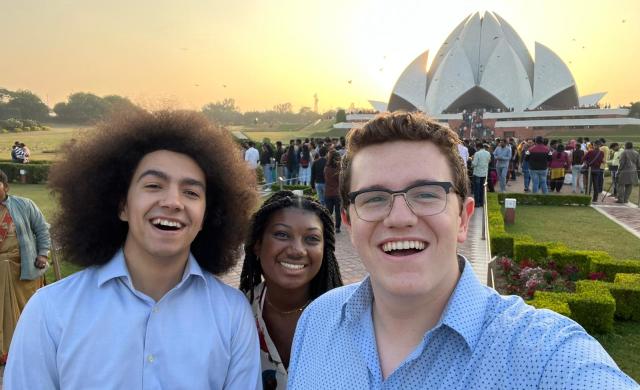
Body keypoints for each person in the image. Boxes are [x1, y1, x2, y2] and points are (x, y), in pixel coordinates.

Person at [287, 111, 636, 388]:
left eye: (426, 193)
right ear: (349, 222)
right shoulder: (317, 322)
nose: (400, 218)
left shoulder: (542, 354)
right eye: (374, 198)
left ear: (464, 218)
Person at [4, 111, 261, 388]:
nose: (173, 202)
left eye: (191, 193)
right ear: (122, 205)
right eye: (154, 185)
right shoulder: (50, 311)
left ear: (207, 216)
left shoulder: (232, 314)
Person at [239, 191, 343, 389]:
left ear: (325, 250)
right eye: (281, 234)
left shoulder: (346, 319)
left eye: (311, 238)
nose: (297, 250)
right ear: (257, 245)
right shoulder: (235, 315)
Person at [0, 170, 50, 365]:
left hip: (24, 269)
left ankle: (25, 348)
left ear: (5, 186)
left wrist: (43, 254)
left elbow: (42, 229)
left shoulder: (24, 204)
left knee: (29, 312)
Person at [323, 150, 341, 233]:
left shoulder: (326, 168)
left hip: (328, 192)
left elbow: (325, 179)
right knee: (338, 212)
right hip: (337, 192)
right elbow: (341, 181)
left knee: (329, 211)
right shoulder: (339, 169)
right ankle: (337, 227)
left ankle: (328, 227)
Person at [470, 142, 490, 207]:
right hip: (484, 173)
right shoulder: (488, 153)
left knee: (477, 189)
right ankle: (481, 203)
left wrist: (472, 160)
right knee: (482, 189)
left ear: (478, 147)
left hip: (477, 173)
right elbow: (489, 161)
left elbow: (474, 164)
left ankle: (477, 203)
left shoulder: (477, 153)